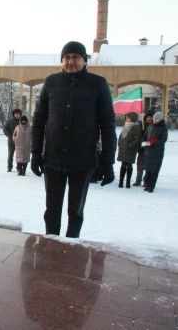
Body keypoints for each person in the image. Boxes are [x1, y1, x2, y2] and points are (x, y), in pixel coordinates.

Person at [30, 41, 116, 238]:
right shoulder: (51, 82)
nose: (71, 62)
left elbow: (108, 126)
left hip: (83, 160)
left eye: (75, 57)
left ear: (84, 60)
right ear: (62, 61)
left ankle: (71, 248)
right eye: (66, 57)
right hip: (53, 158)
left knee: (75, 212)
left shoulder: (97, 84)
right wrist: (35, 153)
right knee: (52, 210)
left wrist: (108, 162)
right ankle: (51, 246)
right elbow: (39, 121)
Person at [141, 111, 168, 193]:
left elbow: (163, 139)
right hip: (148, 150)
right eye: (154, 118)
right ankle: (147, 184)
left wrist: (153, 142)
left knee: (154, 169)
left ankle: (151, 186)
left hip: (157, 151)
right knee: (148, 169)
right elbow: (145, 136)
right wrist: (144, 141)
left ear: (160, 119)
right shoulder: (150, 126)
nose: (154, 120)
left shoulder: (163, 128)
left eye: (156, 118)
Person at [116, 112, 142, 188]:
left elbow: (137, 139)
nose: (126, 119)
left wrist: (129, 146)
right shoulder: (126, 126)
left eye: (128, 118)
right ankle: (121, 182)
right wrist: (120, 143)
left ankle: (128, 182)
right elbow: (121, 136)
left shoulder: (136, 127)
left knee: (129, 164)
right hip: (123, 148)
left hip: (130, 149)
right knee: (123, 164)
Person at [133, 112, 154, 186]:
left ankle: (146, 181)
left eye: (151, 117)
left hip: (151, 149)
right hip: (142, 148)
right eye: (148, 117)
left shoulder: (154, 126)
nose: (149, 118)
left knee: (148, 165)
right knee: (140, 165)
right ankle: (138, 179)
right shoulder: (141, 125)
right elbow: (138, 136)